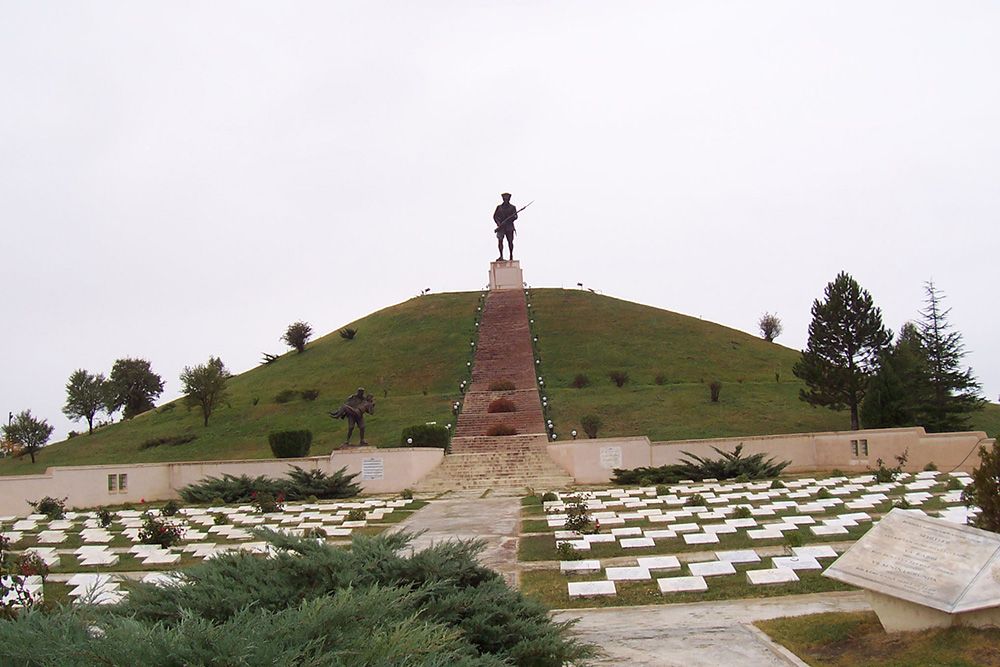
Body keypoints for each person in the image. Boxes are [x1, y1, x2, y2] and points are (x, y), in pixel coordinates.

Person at [493, 192, 517, 261]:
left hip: (509, 227)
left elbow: (515, 216)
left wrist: (510, 219)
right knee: (500, 240)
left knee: (510, 241)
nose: (506, 200)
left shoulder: (512, 207)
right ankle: (501, 255)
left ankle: (511, 256)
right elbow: (495, 216)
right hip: (501, 227)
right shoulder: (499, 207)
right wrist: (499, 223)